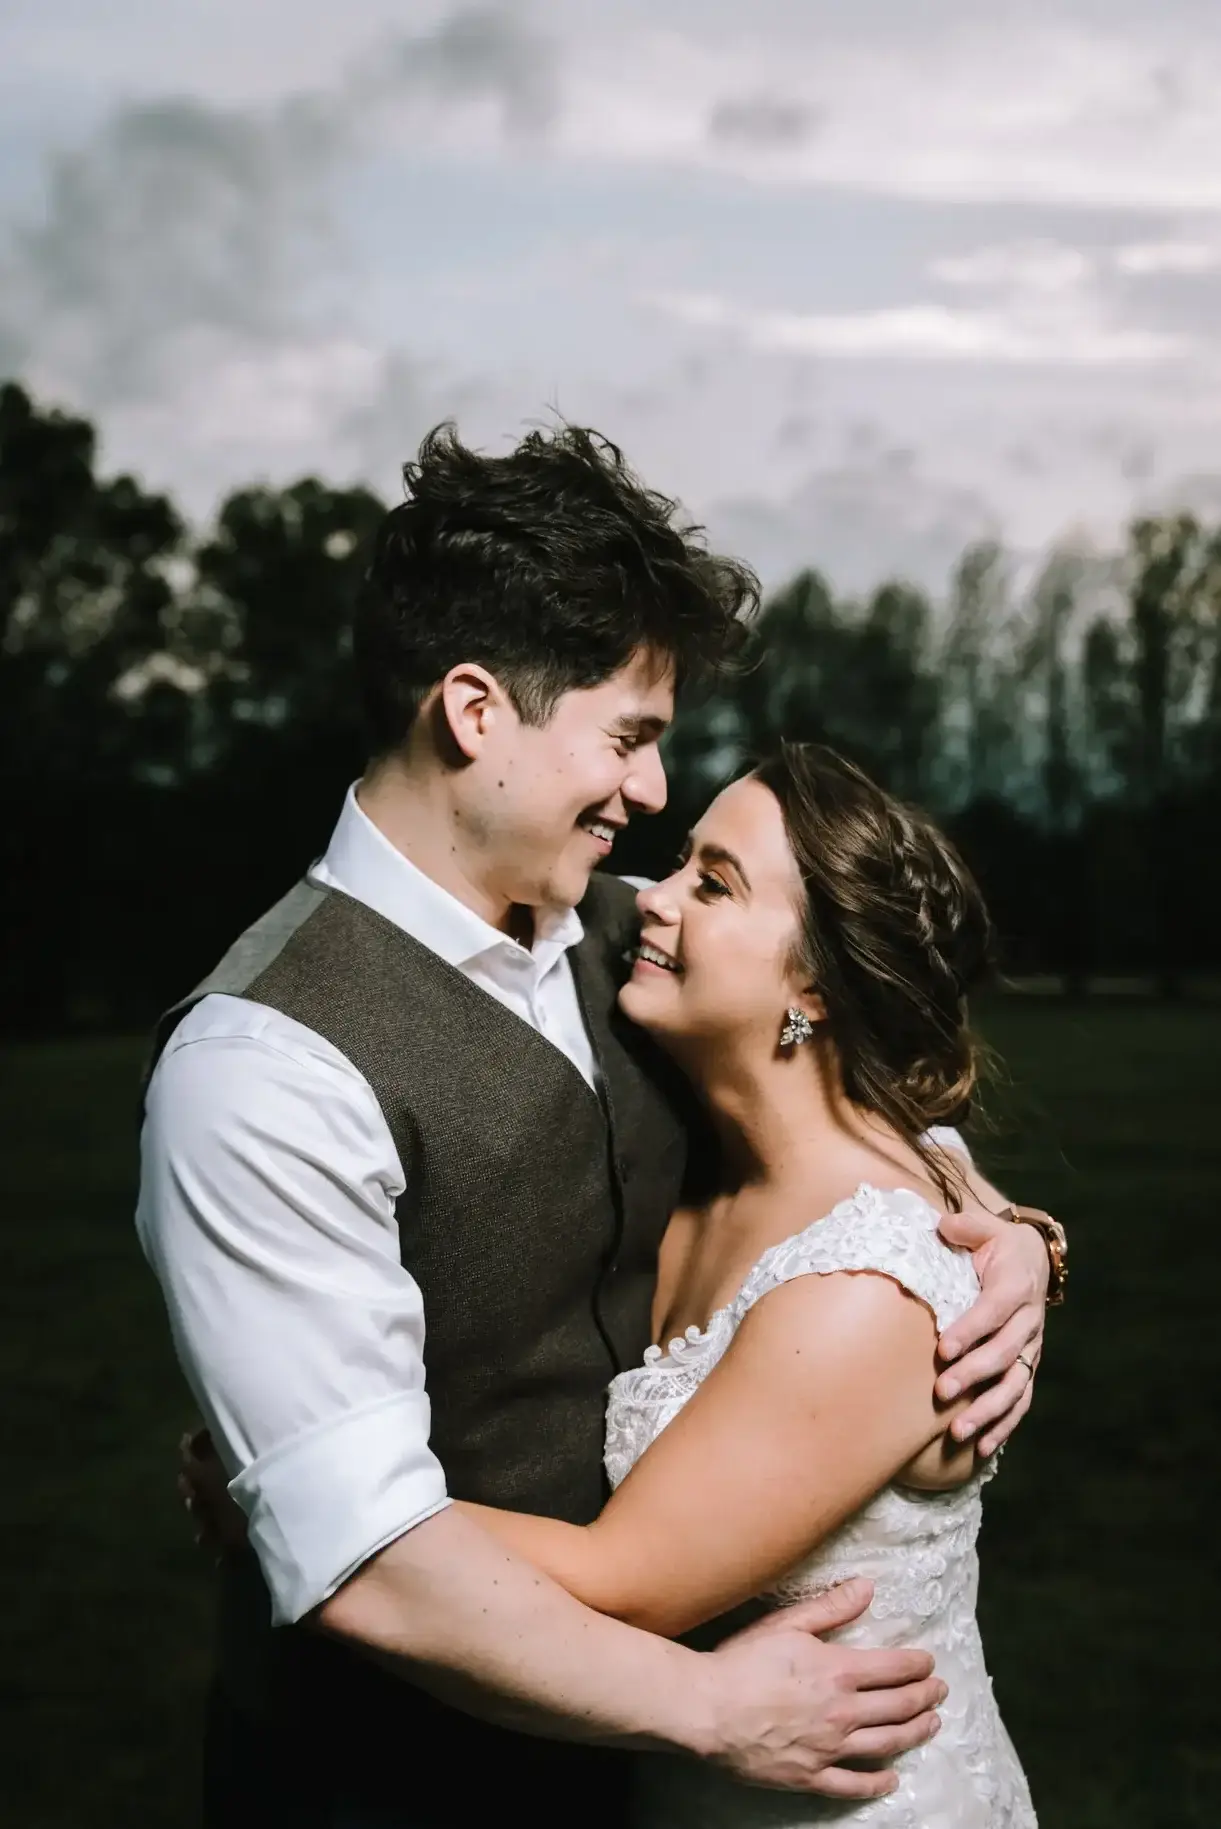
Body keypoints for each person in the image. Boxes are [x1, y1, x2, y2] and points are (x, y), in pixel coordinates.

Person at [140, 423, 1057, 1828]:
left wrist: (998, 1239)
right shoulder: (261, 1069)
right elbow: (364, 1560)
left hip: (639, 1769)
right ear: (473, 710)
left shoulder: (636, 946)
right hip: (388, 1777)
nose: (646, 796)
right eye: (628, 738)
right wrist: (712, 1709)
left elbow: (828, 1080)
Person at [450, 743, 1044, 1824]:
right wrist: (1032, 1233)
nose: (653, 903)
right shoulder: (708, 1164)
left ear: (816, 979)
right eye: (677, 862)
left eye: (712, 883)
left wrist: (304, 1485)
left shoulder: (866, 1290)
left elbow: (626, 1579)